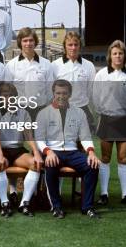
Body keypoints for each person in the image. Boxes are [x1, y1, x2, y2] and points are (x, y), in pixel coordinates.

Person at [35, 79, 100, 219]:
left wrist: (91, 152)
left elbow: (85, 136)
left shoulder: (79, 113)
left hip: (72, 152)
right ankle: (56, 207)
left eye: (64, 93)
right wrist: (48, 152)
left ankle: (87, 207)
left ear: (70, 94)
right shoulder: (43, 113)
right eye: (58, 93)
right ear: (53, 93)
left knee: (92, 165)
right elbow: (39, 138)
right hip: (53, 151)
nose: (61, 96)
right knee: (50, 165)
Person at [93, 40, 126, 206]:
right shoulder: (101, 74)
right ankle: (104, 194)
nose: (118, 56)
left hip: (125, 120)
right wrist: (106, 113)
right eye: (115, 53)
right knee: (105, 158)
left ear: (124, 55)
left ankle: (125, 194)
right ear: (110, 56)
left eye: (120, 53)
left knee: (123, 158)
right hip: (106, 119)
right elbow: (96, 97)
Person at [0, 82, 43, 217]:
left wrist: (36, 153)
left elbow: (29, 135)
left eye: (10, 95)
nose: (7, 98)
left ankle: (24, 203)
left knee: (35, 164)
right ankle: (5, 203)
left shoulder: (23, 113)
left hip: (17, 150)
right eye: (4, 95)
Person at [4, 27, 54, 120]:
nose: (28, 43)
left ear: (35, 42)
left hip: (41, 110)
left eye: (31, 40)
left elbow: (50, 91)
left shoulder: (46, 64)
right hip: (19, 110)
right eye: (25, 41)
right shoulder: (11, 65)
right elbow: (7, 92)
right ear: (20, 43)